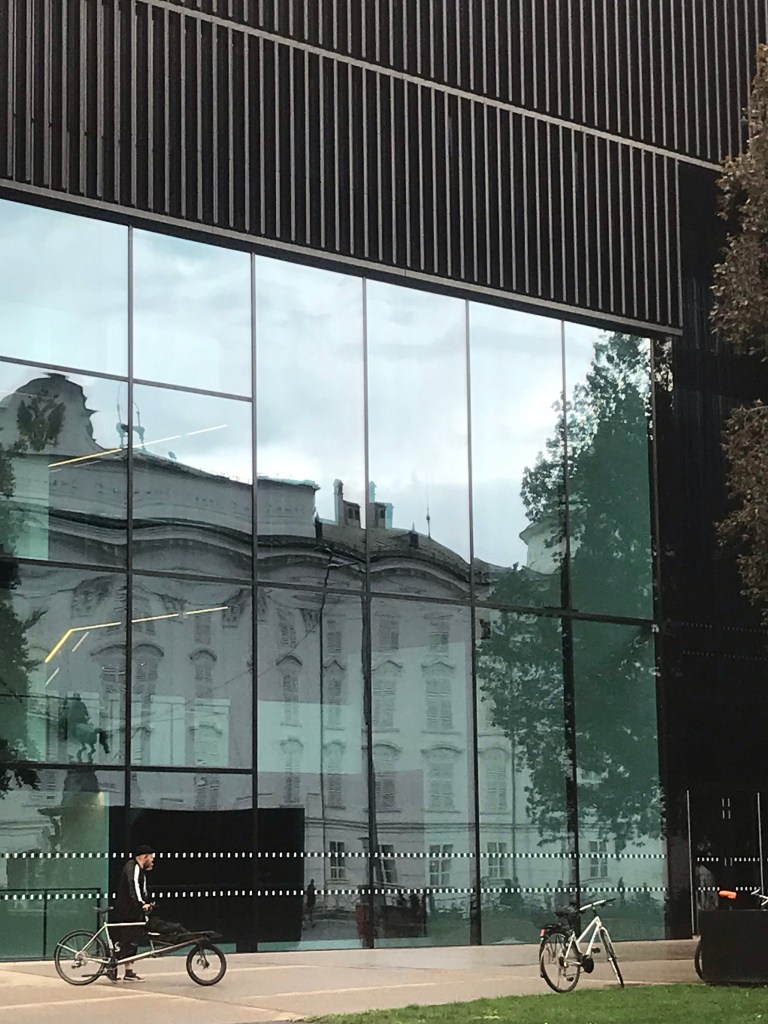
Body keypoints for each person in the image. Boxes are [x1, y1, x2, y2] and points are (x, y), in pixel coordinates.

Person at [112, 844, 156, 981]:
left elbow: (142, 890)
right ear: (145, 857)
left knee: (131, 940)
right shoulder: (134, 867)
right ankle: (115, 964)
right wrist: (141, 904)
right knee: (129, 939)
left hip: (131, 909)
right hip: (128, 909)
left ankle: (128, 971)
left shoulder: (138, 869)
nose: (153, 861)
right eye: (151, 858)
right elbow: (134, 886)